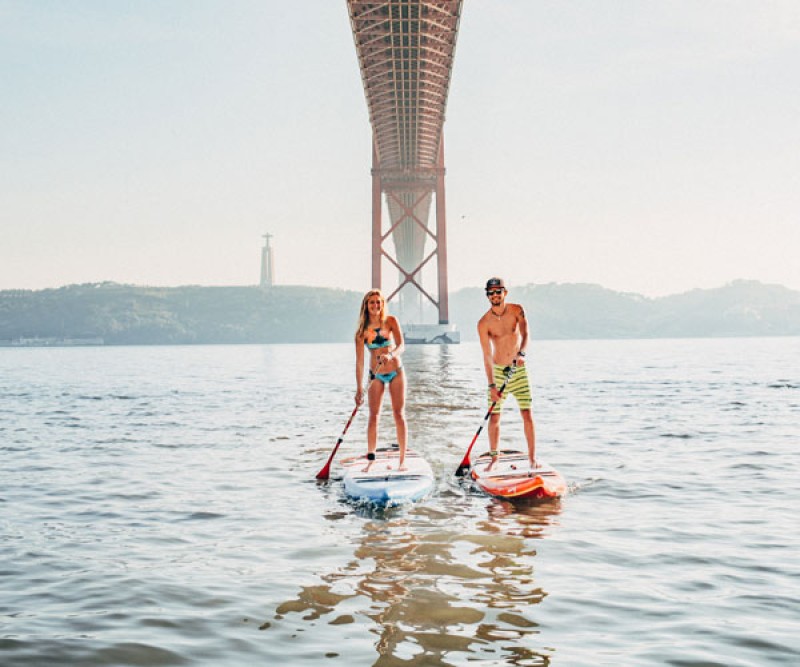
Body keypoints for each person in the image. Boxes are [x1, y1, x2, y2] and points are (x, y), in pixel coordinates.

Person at [477, 277, 537, 468]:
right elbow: (486, 356)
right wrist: (492, 385)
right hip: (498, 373)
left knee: (527, 413)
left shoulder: (516, 310)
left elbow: (526, 334)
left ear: (505, 292)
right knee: (495, 417)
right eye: (491, 293)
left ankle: (532, 458)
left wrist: (522, 353)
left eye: (498, 291)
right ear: (487, 296)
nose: (494, 295)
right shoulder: (483, 323)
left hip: (518, 370)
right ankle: (494, 459)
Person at [354, 289, 407, 469]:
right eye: (372, 302)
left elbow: (401, 346)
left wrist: (391, 354)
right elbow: (360, 363)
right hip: (375, 374)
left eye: (378, 302)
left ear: (383, 304)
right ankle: (371, 461)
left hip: (396, 372)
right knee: (373, 416)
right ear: (366, 306)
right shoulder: (361, 332)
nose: (375, 305)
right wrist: (359, 388)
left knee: (398, 414)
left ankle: (402, 460)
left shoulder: (391, 321)